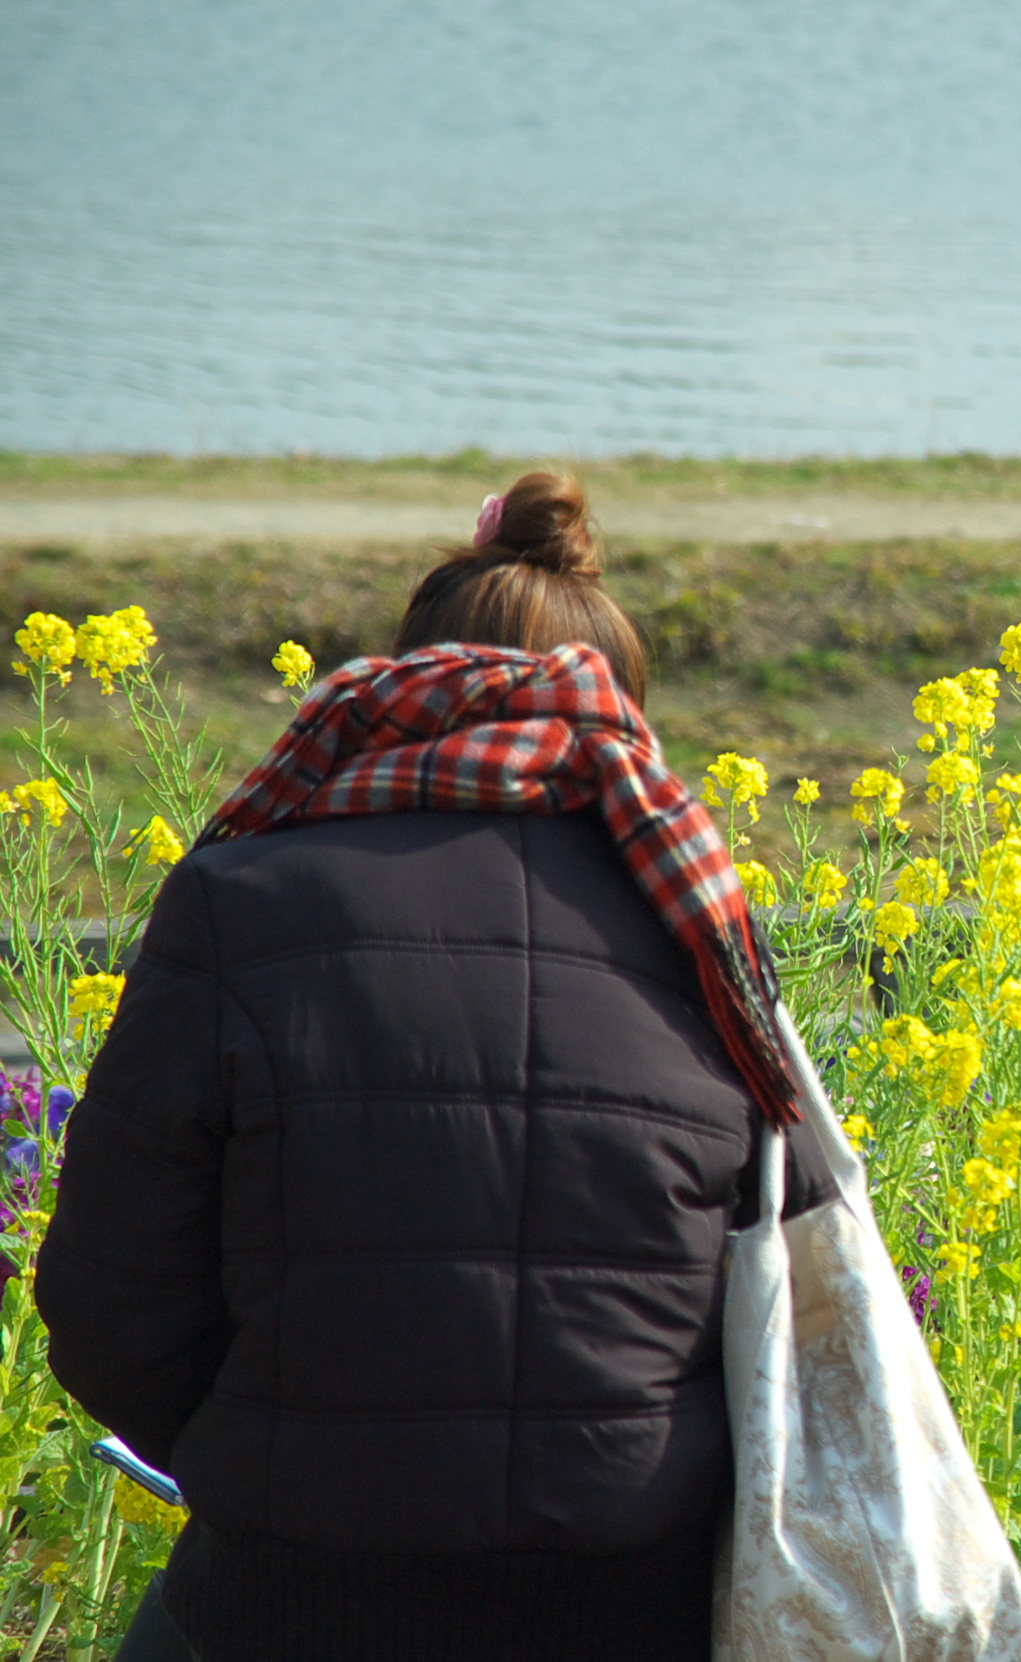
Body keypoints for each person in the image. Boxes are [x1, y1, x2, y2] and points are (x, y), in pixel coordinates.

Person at [36, 473, 833, 1662]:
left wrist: (266, 1450)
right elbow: (807, 1288)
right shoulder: (698, 927)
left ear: (405, 684)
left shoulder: (239, 899)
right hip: (633, 1605)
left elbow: (108, 1304)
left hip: (294, 1594)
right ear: (625, 717)